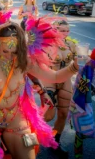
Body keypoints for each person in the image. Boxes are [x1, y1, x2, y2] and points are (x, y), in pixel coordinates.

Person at [0, 22, 79, 159]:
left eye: (14, 52)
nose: (9, 56)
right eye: (5, 51)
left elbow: (55, 77)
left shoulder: (25, 61)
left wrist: (74, 67)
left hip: (15, 117)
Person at [43, 20, 77, 156]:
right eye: (62, 30)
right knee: (48, 115)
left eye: (67, 30)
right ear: (54, 30)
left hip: (66, 79)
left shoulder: (71, 44)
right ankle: (30, 134)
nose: (65, 33)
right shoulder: (45, 44)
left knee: (63, 114)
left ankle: (55, 142)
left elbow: (77, 62)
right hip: (49, 78)